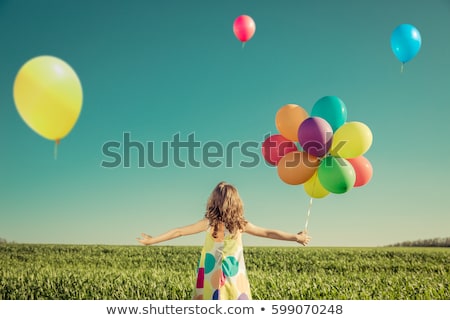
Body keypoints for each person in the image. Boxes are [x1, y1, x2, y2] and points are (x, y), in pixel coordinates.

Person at [136, 181, 311, 300]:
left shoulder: (210, 223)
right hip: (233, 277)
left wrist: (152, 240)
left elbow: (179, 231)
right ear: (236, 203)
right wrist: (295, 237)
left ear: (214, 202)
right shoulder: (240, 225)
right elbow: (268, 233)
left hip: (210, 276)